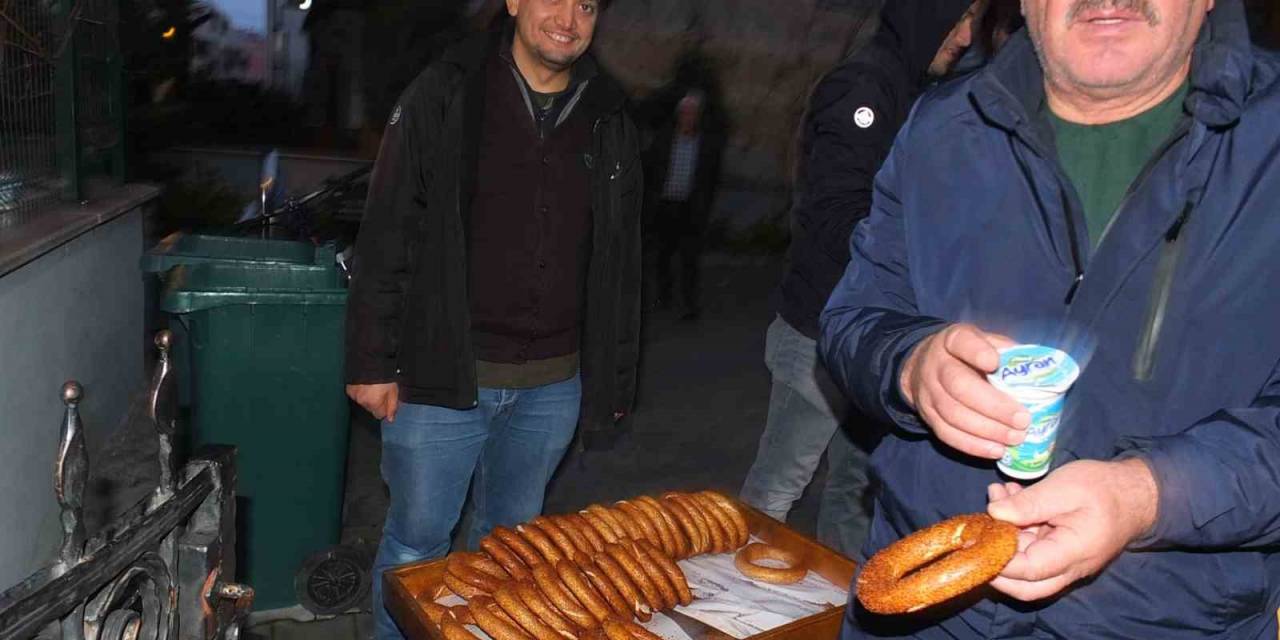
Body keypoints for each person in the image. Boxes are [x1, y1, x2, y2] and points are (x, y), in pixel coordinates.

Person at [820, 0, 1280, 636]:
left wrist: (1151, 495)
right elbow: (852, 317)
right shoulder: (941, 127)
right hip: (932, 614)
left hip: (1169, 622)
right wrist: (908, 363)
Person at [343, 0, 642, 636]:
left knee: (511, 558)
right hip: (440, 379)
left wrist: (610, 382)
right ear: (513, 2)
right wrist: (372, 360)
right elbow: (389, 225)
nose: (569, 17)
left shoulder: (608, 114)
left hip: (553, 388)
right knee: (417, 549)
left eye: (586, 5)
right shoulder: (447, 90)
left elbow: (622, 259)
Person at [739, 0, 986, 558]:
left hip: (875, 339)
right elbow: (835, 213)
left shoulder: (919, 93)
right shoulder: (866, 87)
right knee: (775, 491)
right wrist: (926, 253)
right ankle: (732, 613)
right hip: (817, 337)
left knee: (855, 495)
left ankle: (845, 614)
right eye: (958, 20)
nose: (967, 36)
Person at [643, 81, 725, 321]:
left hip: (691, 207)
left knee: (690, 258)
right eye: (685, 113)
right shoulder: (665, 139)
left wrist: (705, 206)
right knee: (663, 255)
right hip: (666, 204)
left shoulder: (706, 145)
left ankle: (689, 304)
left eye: (692, 114)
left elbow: (711, 179)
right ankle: (664, 296)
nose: (688, 118)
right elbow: (652, 169)